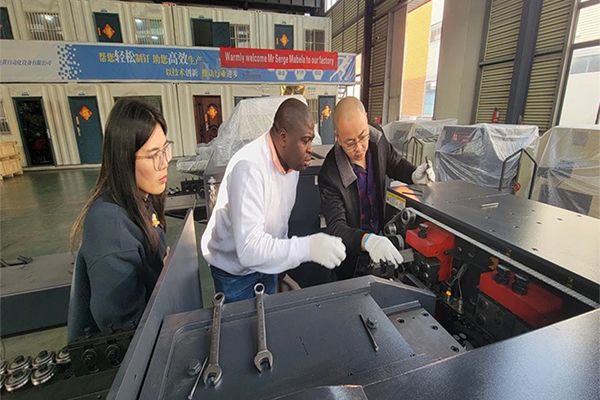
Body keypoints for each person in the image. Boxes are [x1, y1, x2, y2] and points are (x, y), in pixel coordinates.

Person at [201, 98, 346, 303]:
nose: (310, 149)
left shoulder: (291, 164)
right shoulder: (250, 169)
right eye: (305, 140)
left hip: (265, 267)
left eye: (311, 140)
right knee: (242, 332)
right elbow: (249, 250)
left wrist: (281, 272)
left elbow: (278, 223)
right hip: (235, 273)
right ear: (283, 137)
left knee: (266, 325)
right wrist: (308, 248)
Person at [67, 98, 172, 341]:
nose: (164, 163)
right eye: (152, 156)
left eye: (165, 149)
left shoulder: (141, 198)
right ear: (123, 159)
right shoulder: (110, 228)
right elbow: (124, 331)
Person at [318, 97, 435, 280]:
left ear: (366, 119)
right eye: (350, 143)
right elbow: (336, 228)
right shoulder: (330, 174)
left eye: (362, 137)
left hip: (382, 238)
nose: (359, 148)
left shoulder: (377, 138)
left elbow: (394, 163)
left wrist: (413, 174)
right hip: (353, 257)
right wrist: (367, 240)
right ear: (337, 136)